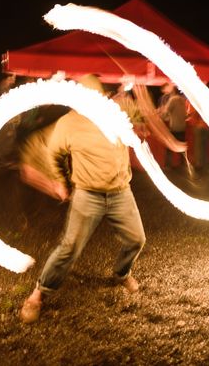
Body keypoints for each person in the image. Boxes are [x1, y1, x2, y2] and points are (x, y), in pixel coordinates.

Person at [20, 74, 146, 324]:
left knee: (137, 239)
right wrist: (62, 181)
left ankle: (122, 273)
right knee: (69, 248)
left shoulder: (116, 111)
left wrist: (136, 87)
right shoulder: (69, 123)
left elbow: (140, 117)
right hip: (88, 195)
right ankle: (38, 294)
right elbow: (54, 154)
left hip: (121, 192)